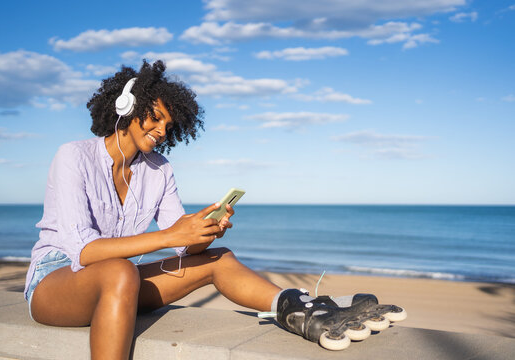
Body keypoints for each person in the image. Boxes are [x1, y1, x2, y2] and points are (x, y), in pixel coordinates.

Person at [24, 60, 406, 358]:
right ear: (128, 105)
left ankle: (300, 311)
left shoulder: (160, 170)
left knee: (218, 259)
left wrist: (201, 231)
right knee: (121, 272)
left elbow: (181, 247)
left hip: (118, 281)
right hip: (56, 281)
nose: (161, 131)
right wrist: (174, 233)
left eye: (168, 126)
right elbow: (84, 252)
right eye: (155, 117)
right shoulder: (73, 156)